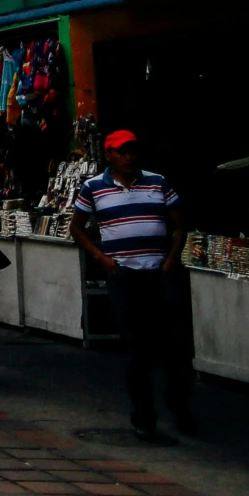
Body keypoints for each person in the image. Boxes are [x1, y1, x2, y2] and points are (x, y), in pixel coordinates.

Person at [70, 129, 194, 443]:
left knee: (174, 344)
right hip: (124, 276)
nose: (129, 157)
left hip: (159, 274)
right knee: (136, 349)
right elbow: (77, 228)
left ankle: (179, 405)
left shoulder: (157, 182)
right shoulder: (94, 187)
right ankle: (144, 417)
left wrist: (171, 259)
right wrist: (101, 257)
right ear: (109, 155)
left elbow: (180, 225)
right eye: (122, 152)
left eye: (132, 151)